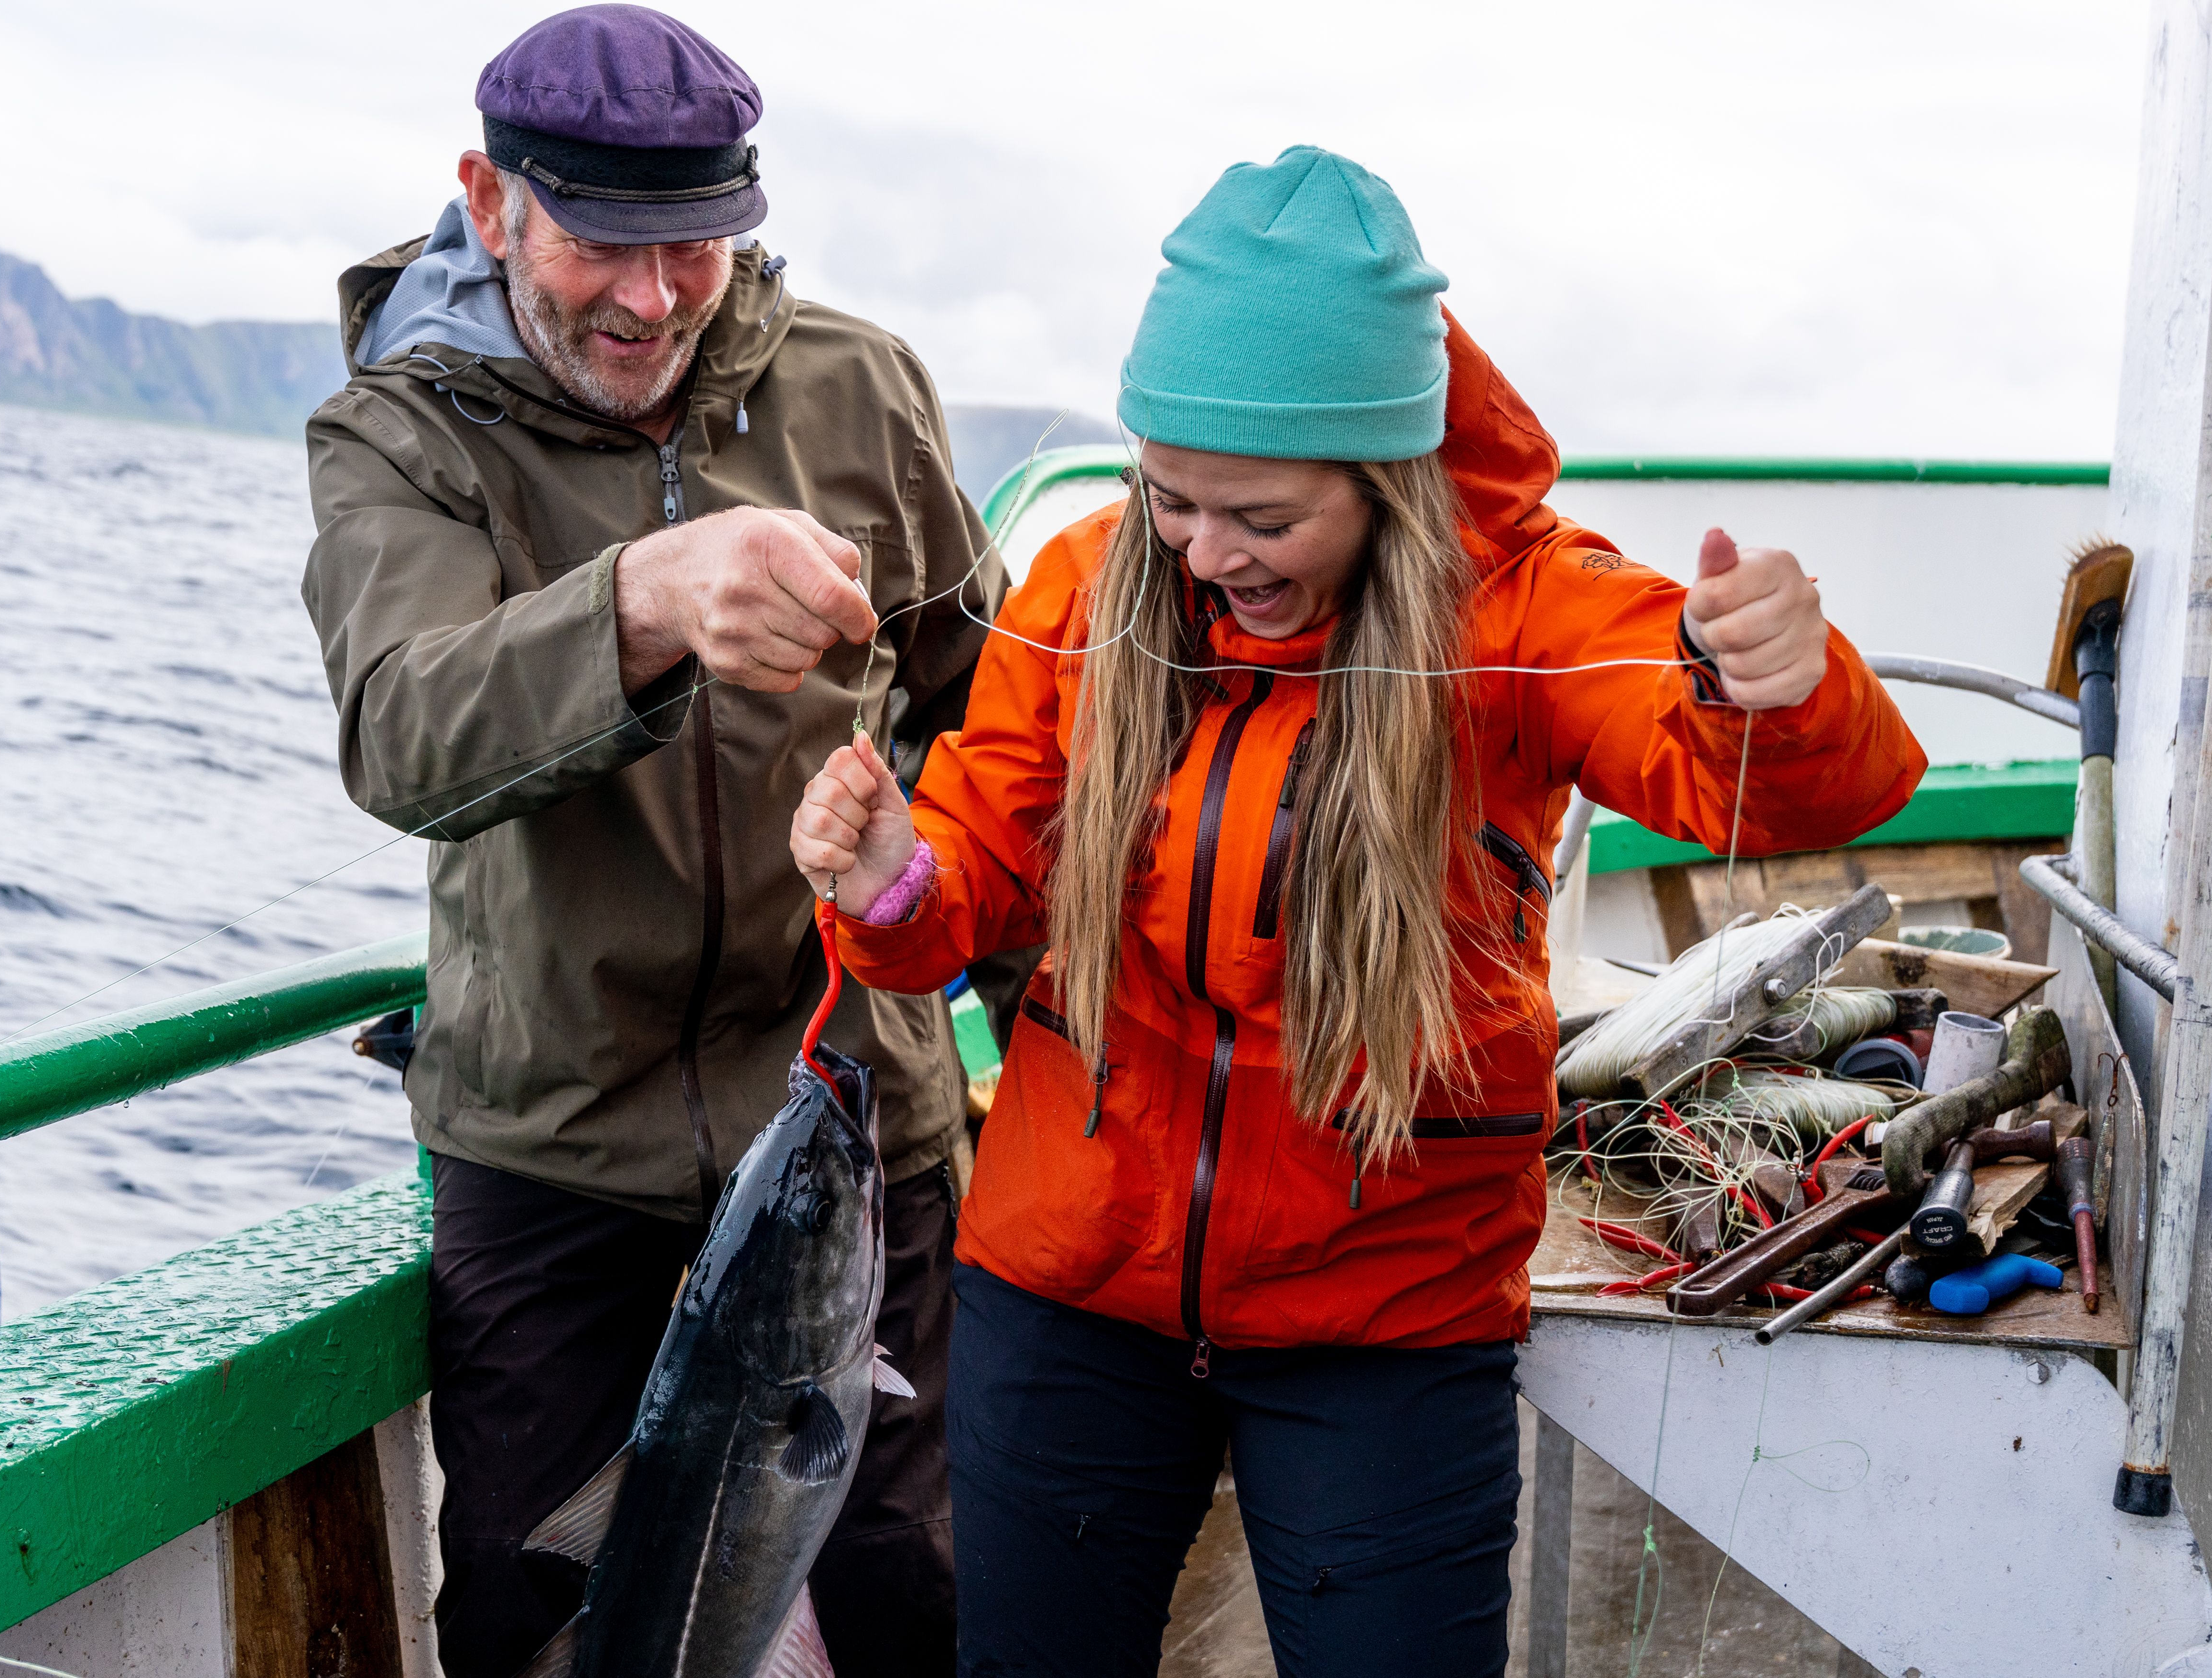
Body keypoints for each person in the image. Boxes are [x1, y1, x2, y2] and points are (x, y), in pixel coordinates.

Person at [787, 147, 1927, 1677]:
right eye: (1173, 498)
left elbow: (1795, 786)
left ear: (1385, 476)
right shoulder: (1082, 584)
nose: (1204, 553)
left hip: (1387, 1320)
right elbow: (957, 897)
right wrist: (883, 887)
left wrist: (1775, 683)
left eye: (1261, 515)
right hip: (1065, 1300)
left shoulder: (1524, 611)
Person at [298, 8, 995, 1676]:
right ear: (491, 200)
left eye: (697, 246)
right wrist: (643, 600)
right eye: (605, 243)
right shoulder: (397, 435)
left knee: (920, 1604)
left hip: (851, 1130)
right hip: (556, 1150)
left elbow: (990, 717)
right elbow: (402, 729)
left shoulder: (861, 385)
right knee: (543, 1622)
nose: (653, 296)